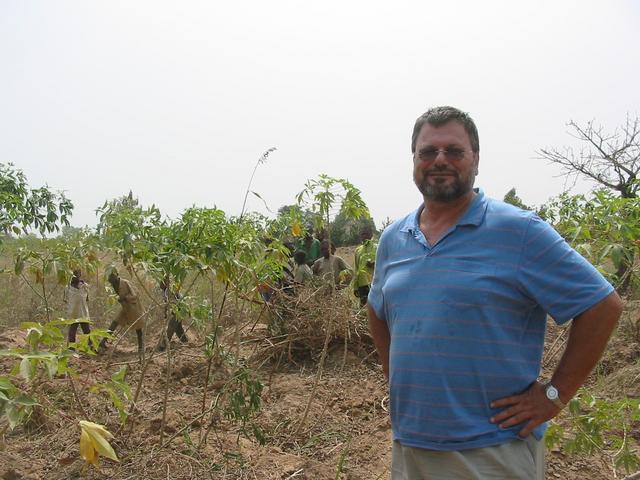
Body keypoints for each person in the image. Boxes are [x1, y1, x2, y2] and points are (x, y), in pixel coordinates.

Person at [367, 106, 623, 479]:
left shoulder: (519, 231)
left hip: (491, 451)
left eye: (454, 151)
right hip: (410, 446)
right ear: (414, 160)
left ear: (476, 159)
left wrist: (555, 395)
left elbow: (603, 305)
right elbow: (377, 309)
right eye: (428, 151)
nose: (440, 160)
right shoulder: (394, 238)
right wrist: (396, 375)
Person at [99, 270, 145, 360]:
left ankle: (141, 348)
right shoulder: (114, 285)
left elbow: (135, 295)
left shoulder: (125, 282)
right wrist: (121, 299)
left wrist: (125, 298)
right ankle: (103, 342)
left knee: (138, 328)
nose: (111, 278)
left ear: (117, 275)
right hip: (125, 309)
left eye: (112, 276)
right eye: (110, 277)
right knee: (115, 322)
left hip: (134, 308)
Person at [158, 278, 188, 352]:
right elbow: (166, 304)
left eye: (162, 282)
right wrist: (165, 312)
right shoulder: (164, 291)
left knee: (171, 327)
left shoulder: (170, 290)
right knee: (178, 328)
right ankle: (185, 341)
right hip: (176, 311)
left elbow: (174, 302)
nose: (160, 284)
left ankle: (163, 345)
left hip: (178, 311)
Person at [352, 225, 377, 307]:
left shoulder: (377, 247)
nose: (364, 236)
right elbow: (356, 268)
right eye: (362, 234)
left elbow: (383, 264)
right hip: (362, 284)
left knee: (375, 307)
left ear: (371, 235)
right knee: (363, 307)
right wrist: (355, 287)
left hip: (375, 283)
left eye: (366, 234)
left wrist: (374, 264)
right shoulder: (358, 250)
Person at [64, 269, 91, 343]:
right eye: (73, 274)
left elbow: (87, 299)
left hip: (83, 313)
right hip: (73, 314)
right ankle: (71, 349)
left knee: (87, 331)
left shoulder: (85, 286)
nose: (75, 276)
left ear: (80, 275)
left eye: (77, 274)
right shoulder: (68, 288)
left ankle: (90, 347)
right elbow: (66, 300)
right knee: (72, 332)